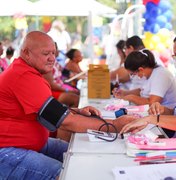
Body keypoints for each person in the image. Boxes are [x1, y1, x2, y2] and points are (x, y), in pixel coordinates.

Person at [0, 31, 136, 179]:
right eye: (46, 53)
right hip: (8, 150)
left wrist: (75, 112)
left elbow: (47, 110)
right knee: (70, 173)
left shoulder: (25, 71)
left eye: (53, 52)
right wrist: (115, 125)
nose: (52, 58)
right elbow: (66, 122)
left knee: (79, 154)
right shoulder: (23, 76)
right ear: (26, 53)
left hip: (29, 143)